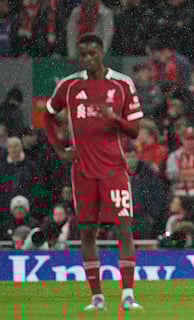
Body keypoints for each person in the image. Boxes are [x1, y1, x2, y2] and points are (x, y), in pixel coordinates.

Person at [43, 33, 144, 310]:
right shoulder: (70, 86)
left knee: (124, 229)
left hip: (114, 170)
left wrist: (114, 118)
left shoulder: (122, 84)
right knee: (87, 231)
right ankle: (97, 297)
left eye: (92, 53)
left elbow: (135, 129)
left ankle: (128, 295)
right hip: (83, 172)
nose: (88, 59)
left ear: (102, 52)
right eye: (83, 54)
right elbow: (47, 116)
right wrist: (61, 151)